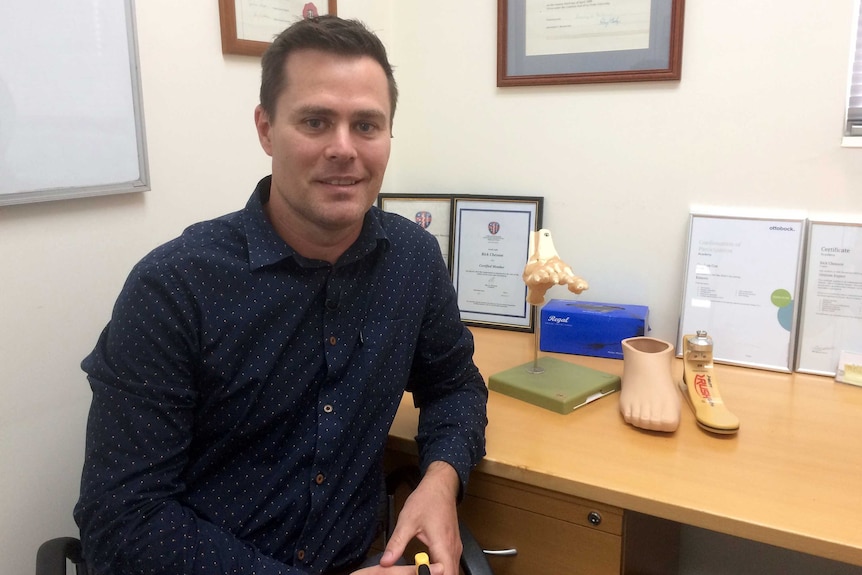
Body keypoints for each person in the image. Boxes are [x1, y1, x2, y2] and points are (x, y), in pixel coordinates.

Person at [74, 15, 487, 575]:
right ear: (266, 129)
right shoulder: (173, 288)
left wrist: (440, 478)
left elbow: (455, 385)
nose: (344, 149)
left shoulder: (412, 260)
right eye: (316, 122)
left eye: (366, 125)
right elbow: (121, 522)